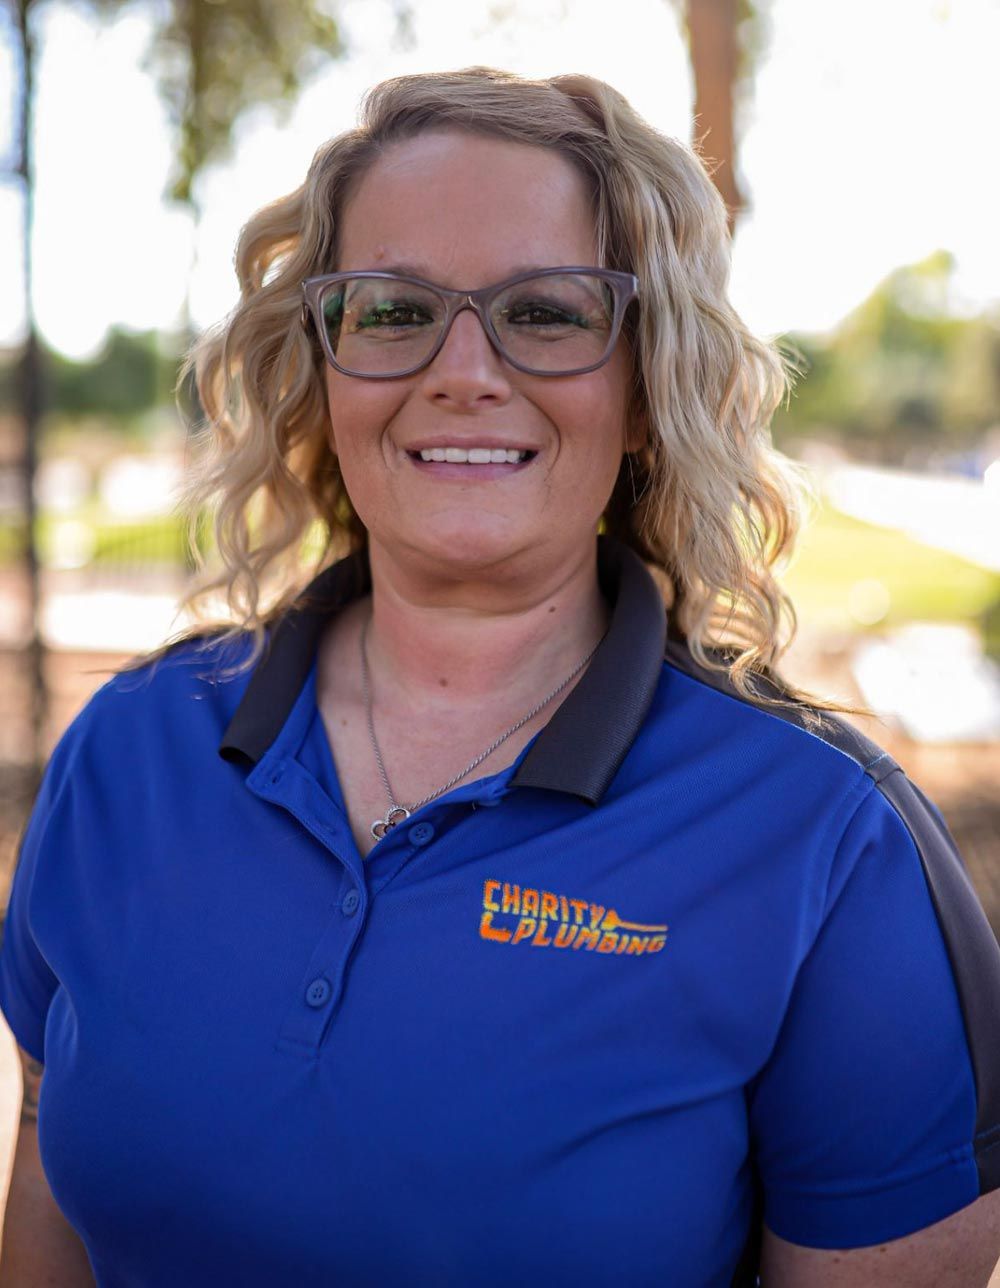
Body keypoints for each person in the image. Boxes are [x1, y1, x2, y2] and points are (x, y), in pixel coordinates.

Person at [0, 66, 998, 1288]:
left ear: (646, 386)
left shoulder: (827, 843)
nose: (463, 368)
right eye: (391, 308)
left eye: (545, 310)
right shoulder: (128, 752)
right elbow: (52, 1184)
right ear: (320, 369)